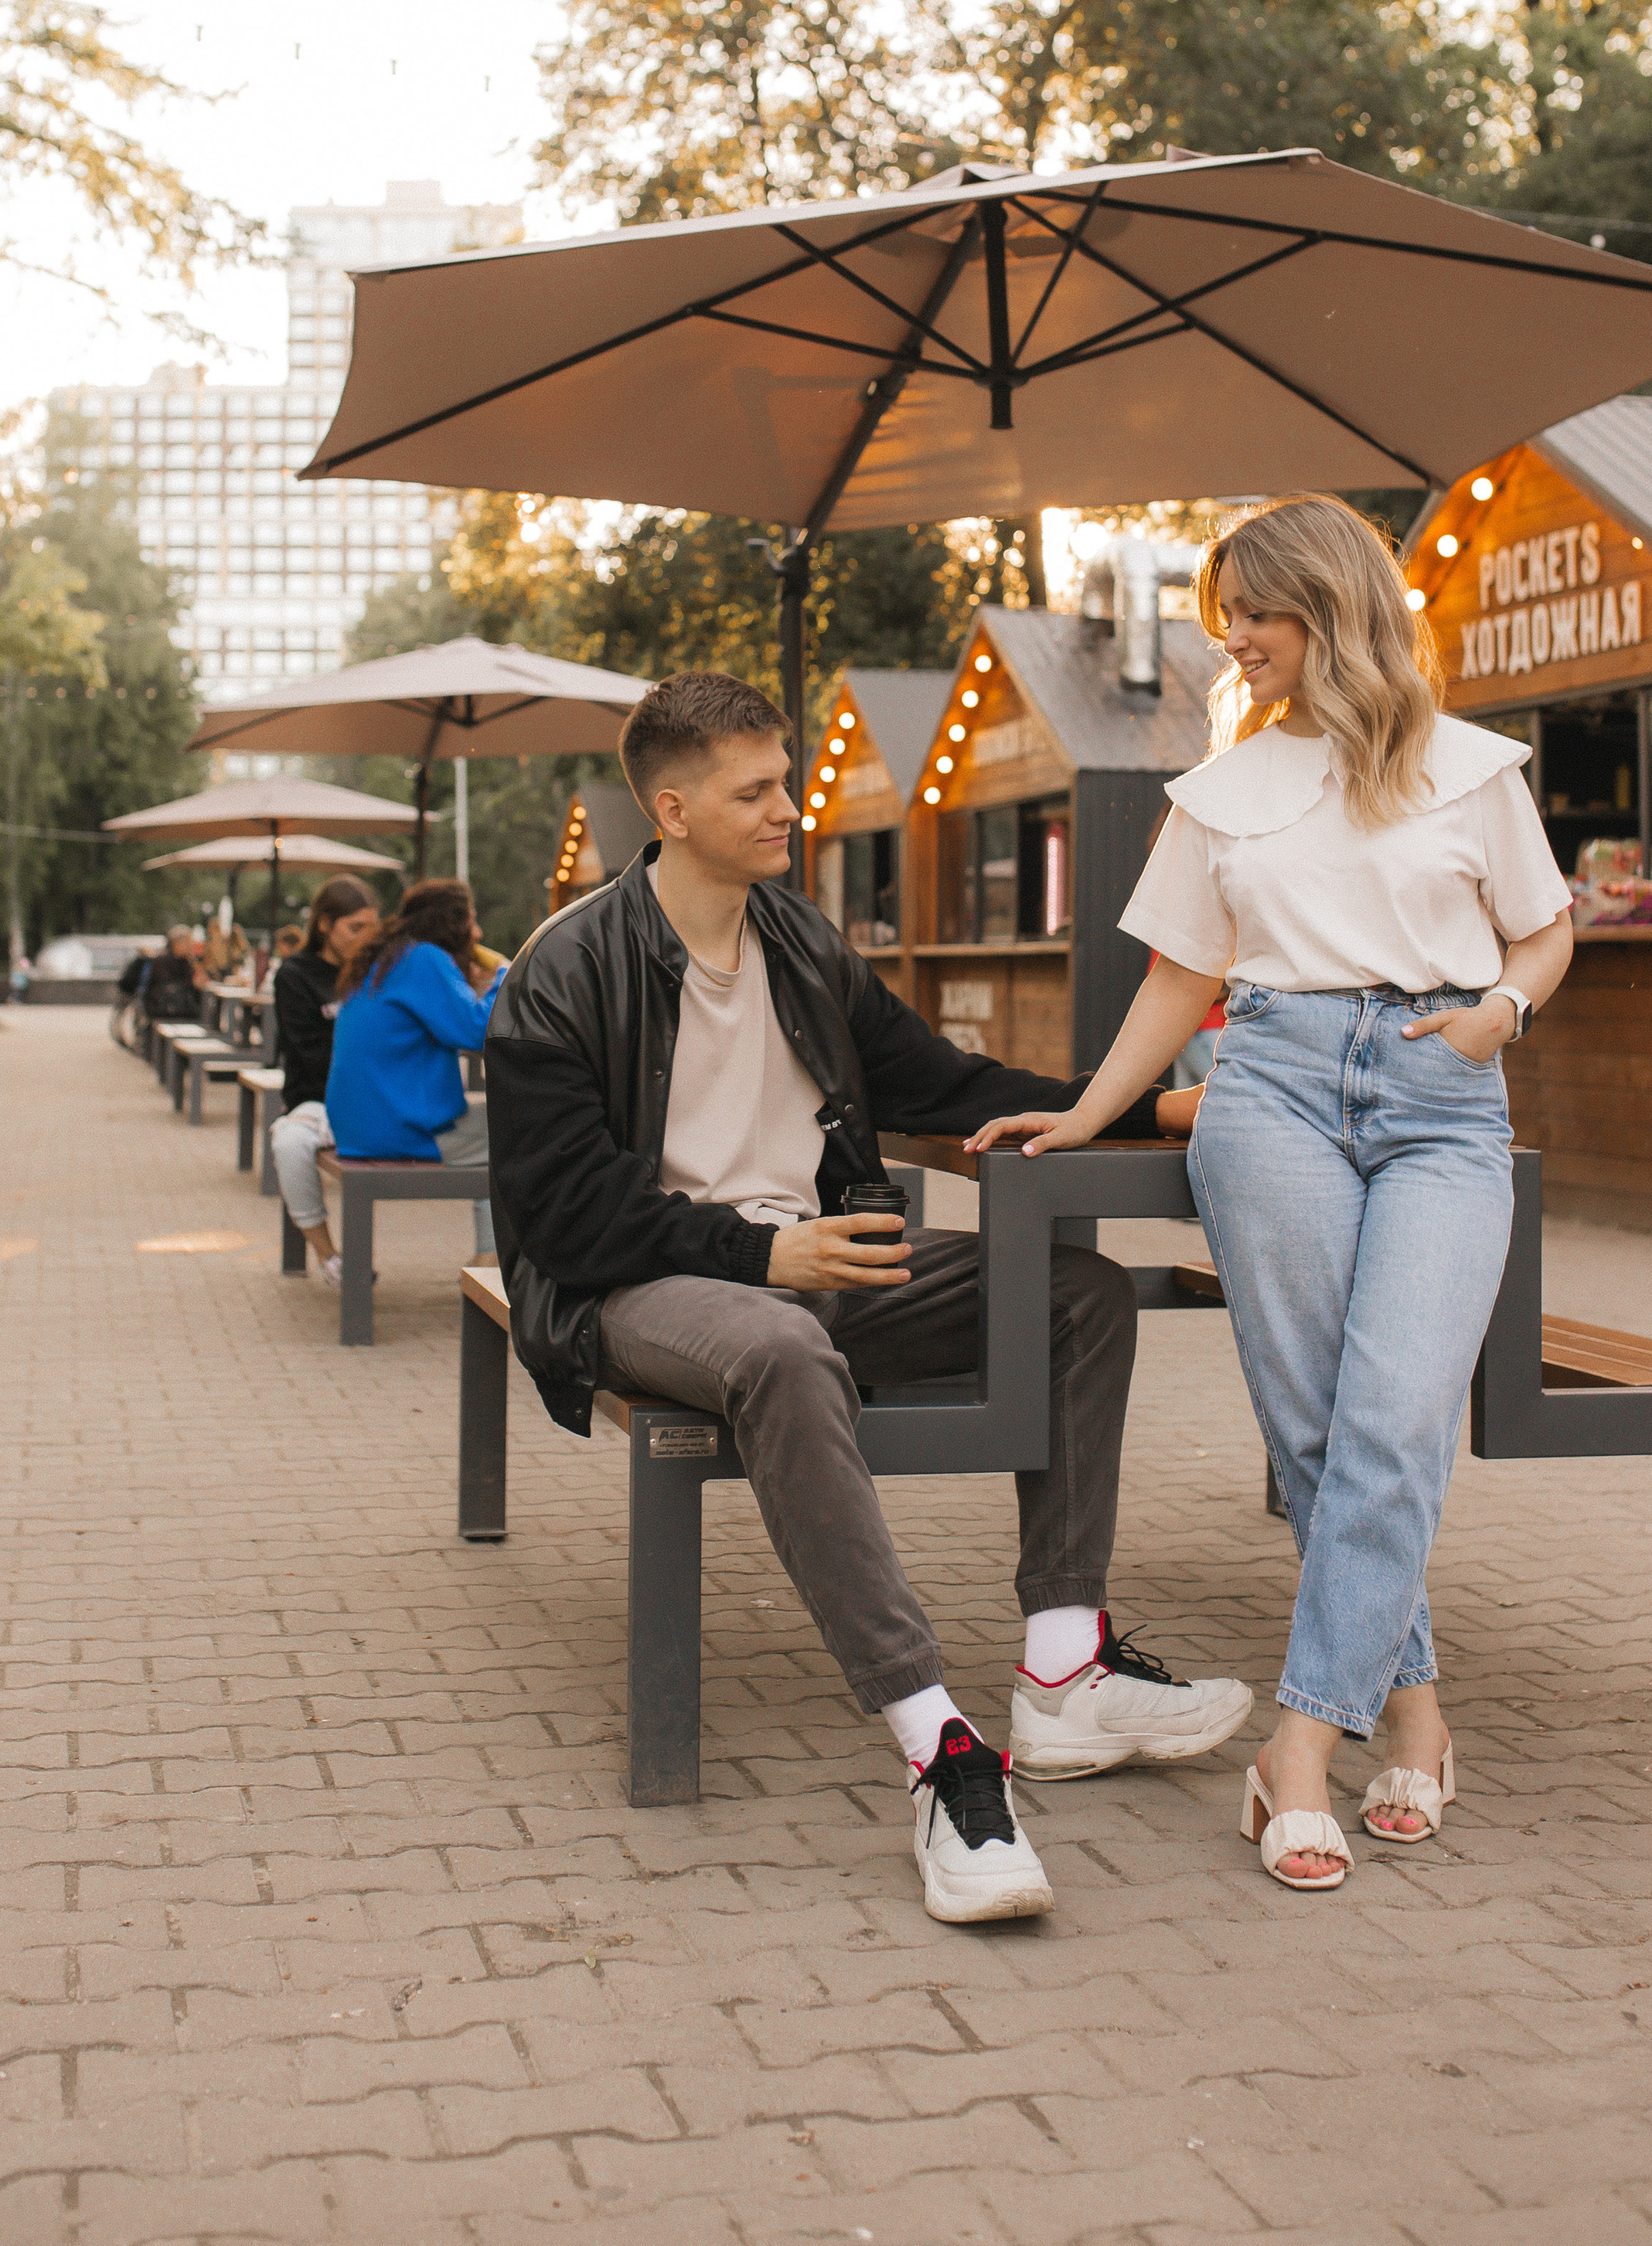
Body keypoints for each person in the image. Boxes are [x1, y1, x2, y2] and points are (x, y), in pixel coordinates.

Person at [485, 672, 1252, 1931]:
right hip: (644, 1290)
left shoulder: (797, 944)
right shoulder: (563, 972)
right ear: (672, 810)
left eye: (783, 781)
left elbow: (942, 1082)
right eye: (756, 791)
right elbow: (560, 1216)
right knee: (785, 1349)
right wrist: (759, 1256)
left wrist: (1143, 1104)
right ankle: (939, 1748)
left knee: (1079, 1296)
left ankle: (1064, 1668)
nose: (788, 808)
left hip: (818, 1266)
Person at [972, 496, 1574, 1893]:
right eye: (1222, 616)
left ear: (1334, 604)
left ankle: (1300, 1744)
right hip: (1272, 1093)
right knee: (1315, 1424)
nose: (1232, 639)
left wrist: (1501, 1012)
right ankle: (1409, 1715)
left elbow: (1545, 933)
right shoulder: (1220, 792)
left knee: (1396, 1415)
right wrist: (1088, 1112)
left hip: (1442, 1098)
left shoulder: (1473, 769)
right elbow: (1179, 979)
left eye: (1255, 612)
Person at [325, 882, 504, 1266]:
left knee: (501, 1128)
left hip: (358, 1127)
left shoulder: (386, 958)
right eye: (471, 922)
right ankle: (491, 1263)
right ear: (451, 925)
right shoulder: (424, 959)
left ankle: (489, 1256)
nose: (478, 934)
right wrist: (507, 975)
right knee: (524, 1128)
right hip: (400, 1131)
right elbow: (478, 1030)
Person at [270, 877, 381, 1283]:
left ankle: (486, 1264)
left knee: (488, 1136)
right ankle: (330, 1257)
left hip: (379, 1101)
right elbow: (310, 1055)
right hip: (317, 1102)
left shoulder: (377, 972)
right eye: (355, 928)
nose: (365, 938)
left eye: (372, 928)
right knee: (289, 1143)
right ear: (325, 925)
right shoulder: (295, 975)